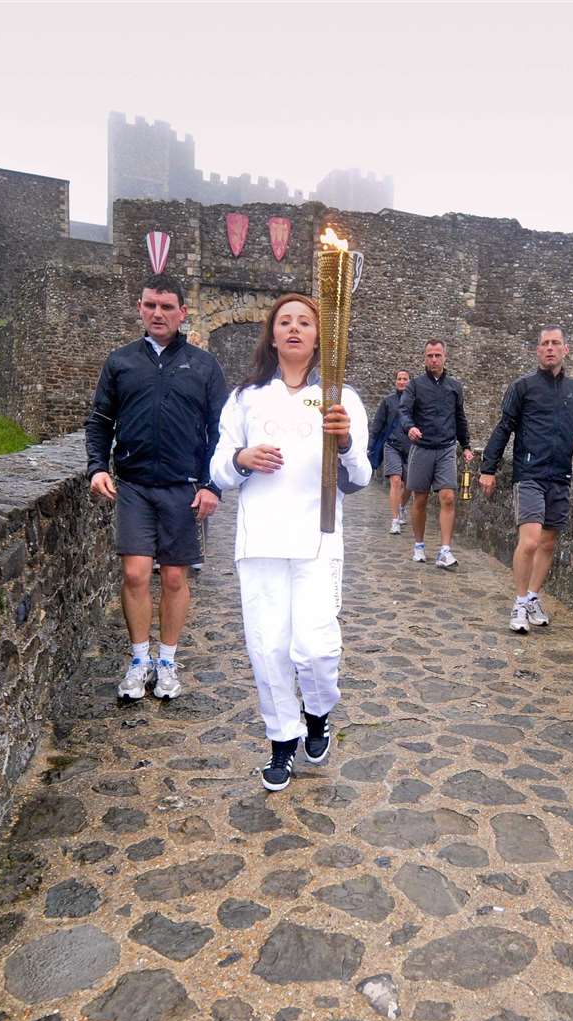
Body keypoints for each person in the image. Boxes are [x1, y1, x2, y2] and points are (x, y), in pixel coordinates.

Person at [210, 293, 370, 792]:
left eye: (305, 321)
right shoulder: (246, 398)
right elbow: (216, 468)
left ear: (320, 335)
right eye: (285, 321)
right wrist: (242, 458)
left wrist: (343, 443)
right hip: (260, 540)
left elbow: (361, 474)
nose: (295, 329)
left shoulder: (342, 398)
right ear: (272, 334)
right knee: (268, 647)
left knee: (316, 647)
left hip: (317, 537)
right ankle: (282, 739)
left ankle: (318, 710)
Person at [85, 273, 228, 703]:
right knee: (134, 573)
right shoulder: (121, 362)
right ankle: (138, 658)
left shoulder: (204, 365)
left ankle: (167, 659)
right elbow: (100, 421)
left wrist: (213, 485)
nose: (158, 313)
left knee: (175, 577)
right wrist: (96, 466)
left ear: (182, 313)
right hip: (133, 483)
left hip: (183, 488)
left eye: (167, 306)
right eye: (150, 305)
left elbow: (221, 430)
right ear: (140, 308)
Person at [478, 325, 573, 633]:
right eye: (544, 343)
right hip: (529, 473)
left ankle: (533, 596)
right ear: (538, 350)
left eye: (555, 343)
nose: (550, 348)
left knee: (548, 542)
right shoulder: (523, 387)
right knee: (530, 540)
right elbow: (504, 427)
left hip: (560, 475)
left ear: (565, 350)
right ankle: (519, 602)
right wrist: (488, 468)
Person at [401, 340, 473, 569]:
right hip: (422, 447)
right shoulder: (415, 385)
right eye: (430, 355)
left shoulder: (454, 387)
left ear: (445, 357)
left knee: (448, 497)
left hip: (446, 448)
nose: (434, 359)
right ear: (424, 358)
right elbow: (403, 411)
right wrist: (409, 427)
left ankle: (445, 551)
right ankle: (419, 545)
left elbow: (460, 418)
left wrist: (467, 445)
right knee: (420, 498)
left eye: (438, 355)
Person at [370, 369, 413, 533]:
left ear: (409, 382)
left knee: (410, 483)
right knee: (395, 481)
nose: (402, 381)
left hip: (411, 446)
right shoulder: (388, 401)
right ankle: (395, 520)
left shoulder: (415, 401)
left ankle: (401, 507)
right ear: (396, 382)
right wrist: (371, 445)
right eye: (399, 379)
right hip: (392, 445)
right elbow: (378, 424)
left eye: (405, 379)